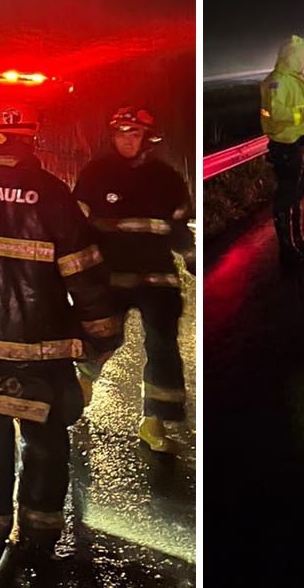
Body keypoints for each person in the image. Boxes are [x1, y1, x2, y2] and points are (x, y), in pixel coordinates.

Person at [0, 111, 125, 586]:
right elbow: (83, 274)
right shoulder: (52, 194)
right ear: (29, 143)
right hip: (42, 353)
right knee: (44, 442)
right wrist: (101, 336)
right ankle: (38, 543)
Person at [71, 105, 195, 454]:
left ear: (147, 139)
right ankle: (82, 386)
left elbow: (178, 228)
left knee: (162, 347)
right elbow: (77, 226)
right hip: (109, 277)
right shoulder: (96, 175)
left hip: (157, 280)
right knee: (98, 337)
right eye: (120, 133)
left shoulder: (166, 179)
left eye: (134, 133)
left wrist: (194, 261)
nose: (126, 140)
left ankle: (153, 421)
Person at [261, 34, 304, 264]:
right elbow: (276, 114)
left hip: (301, 145)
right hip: (286, 147)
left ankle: (298, 241)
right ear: (292, 57)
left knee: (297, 197)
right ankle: (287, 251)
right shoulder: (276, 81)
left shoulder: (296, 79)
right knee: (285, 198)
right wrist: (303, 114)